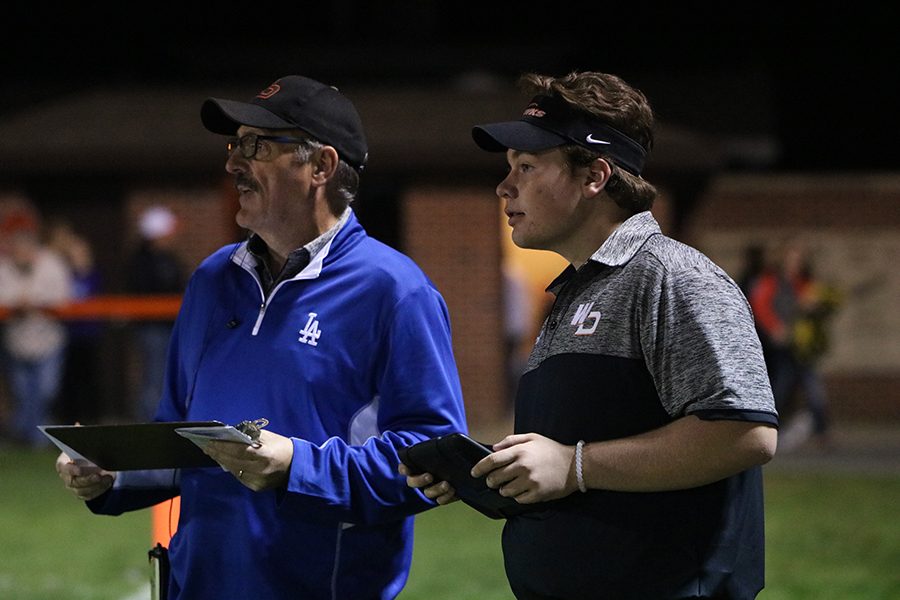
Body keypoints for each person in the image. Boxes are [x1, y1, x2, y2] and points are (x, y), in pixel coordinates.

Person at [55, 75, 467, 599]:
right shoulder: (211, 280)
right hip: (197, 584)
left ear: (320, 167)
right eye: (235, 145)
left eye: (257, 146)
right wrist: (115, 475)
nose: (233, 164)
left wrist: (300, 466)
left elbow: (432, 458)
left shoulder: (394, 291)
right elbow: (181, 436)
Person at [402, 71, 778, 599]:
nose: (504, 186)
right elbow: (583, 452)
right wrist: (496, 475)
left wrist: (573, 465)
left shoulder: (672, 277)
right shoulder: (577, 291)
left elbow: (745, 433)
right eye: (509, 168)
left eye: (527, 166)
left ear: (595, 176)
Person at [0, 208, 73, 446]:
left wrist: (36, 299)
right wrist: (17, 303)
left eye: (25, 241)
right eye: (16, 241)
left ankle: (36, 435)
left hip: (48, 340)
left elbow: (65, 297)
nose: (21, 246)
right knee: (22, 394)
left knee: (45, 390)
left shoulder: (52, 264)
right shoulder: (4, 266)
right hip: (17, 341)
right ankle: (31, 438)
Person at [125, 205, 187, 420]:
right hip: (150, 328)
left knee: (165, 377)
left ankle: (163, 419)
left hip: (171, 327)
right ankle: (150, 420)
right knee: (152, 377)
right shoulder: (141, 262)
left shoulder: (170, 259)